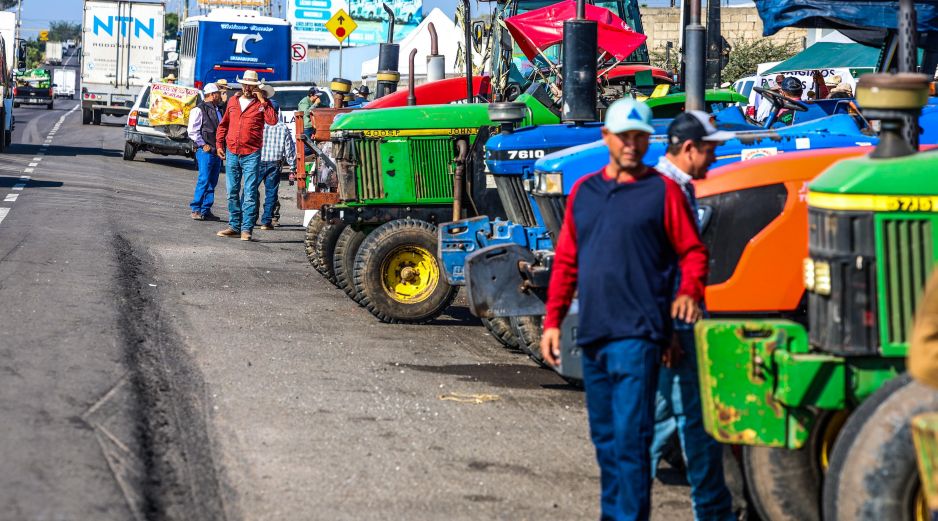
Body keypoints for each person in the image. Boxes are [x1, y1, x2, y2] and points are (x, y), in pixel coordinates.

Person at [540, 98, 708, 521]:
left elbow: (692, 252)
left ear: (649, 141)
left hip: (640, 335)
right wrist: (553, 321)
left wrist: (688, 292)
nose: (632, 144)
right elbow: (567, 261)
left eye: (639, 137)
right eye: (624, 137)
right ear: (607, 138)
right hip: (594, 333)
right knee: (606, 443)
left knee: (632, 442)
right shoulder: (585, 192)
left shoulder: (663, 191)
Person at [650, 111, 736, 521]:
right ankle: (713, 511)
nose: (714, 159)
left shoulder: (676, 187)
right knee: (694, 417)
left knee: (666, 410)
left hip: (673, 318)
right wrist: (666, 328)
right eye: (710, 150)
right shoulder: (663, 192)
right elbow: (656, 265)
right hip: (672, 320)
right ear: (688, 149)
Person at [215, 71, 278, 241]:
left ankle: (246, 229)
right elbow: (224, 124)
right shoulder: (233, 101)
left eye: (251, 85)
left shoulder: (262, 104)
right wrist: (219, 144)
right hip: (232, 151)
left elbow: (272, 121)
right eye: (245, 85)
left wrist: (263, 100)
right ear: (242, 85)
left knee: (249, 192)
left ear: (257, 87)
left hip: (251, 153)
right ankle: (234, 226)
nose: (248, 88)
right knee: (232, 192)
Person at [258, 85, 296, 230]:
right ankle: (266, 221)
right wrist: (292, 167)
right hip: (274, 163)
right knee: (271, 193)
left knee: (251, 190)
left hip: (258, 161)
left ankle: (249, 218)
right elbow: (289, 149)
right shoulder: (282, 127)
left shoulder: (259, 124)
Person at [186, 83, 224, 221]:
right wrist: (203, 144)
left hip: (216, 152)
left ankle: (205, 210)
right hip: (205, 152)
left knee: (212, 181)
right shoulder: (198, 110)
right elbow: (192, 131)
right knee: (204, 180)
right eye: (218, 93)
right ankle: (196, 209)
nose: (220, 95)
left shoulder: (218, 109)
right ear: (212, 95)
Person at [297, 87, 323, 154]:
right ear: (311, 95)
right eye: (317, 95)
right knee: (307, 147)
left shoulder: (313, 102)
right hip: (307, 127)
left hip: (313, 126)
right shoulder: (304, 102)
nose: (318, 97)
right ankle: (306, 159)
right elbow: (306, 113)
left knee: (313, 146)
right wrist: (316, 104)